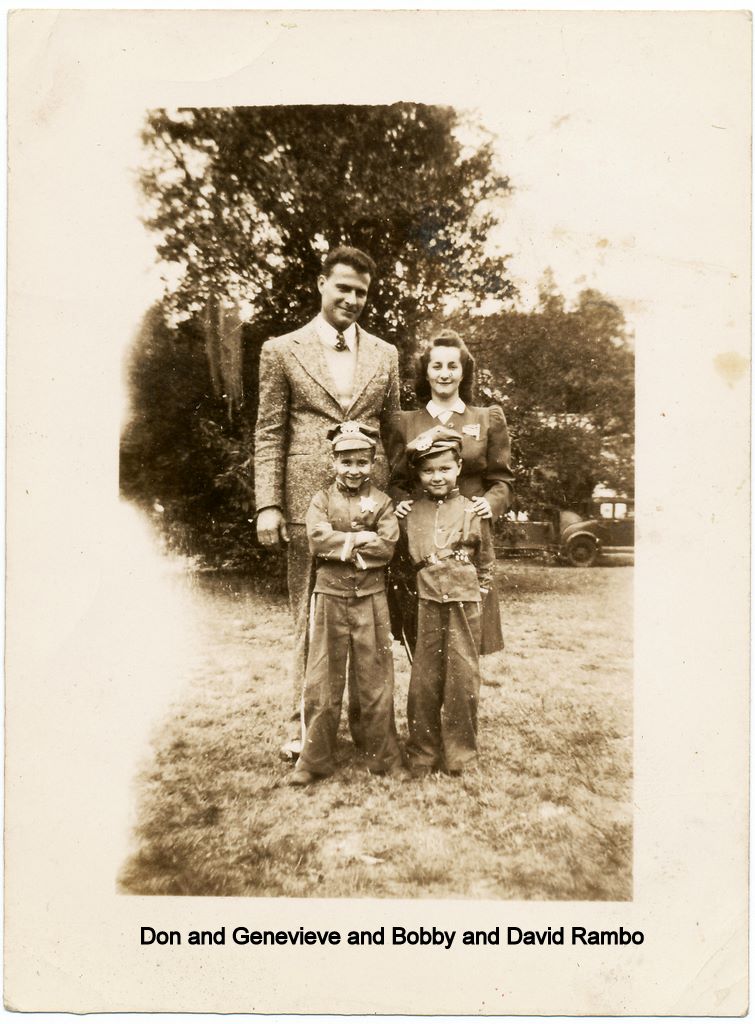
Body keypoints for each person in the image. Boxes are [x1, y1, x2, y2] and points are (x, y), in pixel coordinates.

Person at [254, 247, 400, 760]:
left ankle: (369, 730)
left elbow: (394, 433)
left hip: (370, 507)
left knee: (368, 620)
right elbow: (269, 431)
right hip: (304, 507)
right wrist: (268, 503)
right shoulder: (281, 350)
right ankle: (302, 729)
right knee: (309, 619)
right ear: (321, 284)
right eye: (343, 287)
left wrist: (397, 503)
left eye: (361, 292)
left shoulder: (385, 354)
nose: (352, 299)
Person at [387, 327, 514, 654]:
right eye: (437, 366)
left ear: (463, 371)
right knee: (424, 636)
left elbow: (502, 480)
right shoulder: (405, 422)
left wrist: (490, 503)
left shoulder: (486, 418)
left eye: (452, 366)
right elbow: (396, 481)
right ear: (426, 372)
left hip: (468, 535)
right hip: (423, 537)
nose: (445, 374)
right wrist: (400, 502)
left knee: (466, 633)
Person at [289, 422, 402, 786]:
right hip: (330, 596)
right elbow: (318, 541)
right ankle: (314, 759)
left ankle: (381, 755)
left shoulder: (383, 502)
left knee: (375, 678)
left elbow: (387, 546)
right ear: (333, 462)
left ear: (373, 463)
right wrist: (360, 539)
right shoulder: (321, 500)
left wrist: (345, 545)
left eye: (362, 462)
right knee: (322, 677)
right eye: (346, 462)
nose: (354, 470)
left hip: (371, 598)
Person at [399, 426, 495, 775]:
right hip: (425, 600)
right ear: (418, 474)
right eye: (428, 470)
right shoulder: (409, 512)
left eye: (444, 468)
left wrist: (477, 593)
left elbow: (486, 560)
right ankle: (422, 752)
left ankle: (461, 754)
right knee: (423, 680)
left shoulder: (474, 510)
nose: (436, 476)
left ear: (458, 467)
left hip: (464, 602)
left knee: (462, 678)